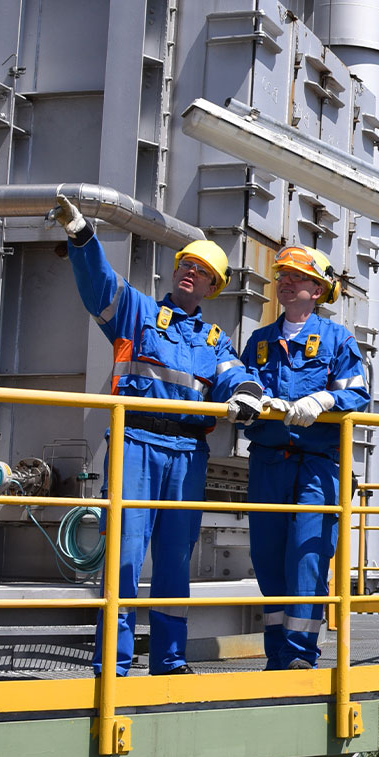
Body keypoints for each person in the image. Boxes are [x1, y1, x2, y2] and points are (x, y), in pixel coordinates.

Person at [52, 198, 262, 676]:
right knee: (125, 557)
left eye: (201, 270)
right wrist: (82, 235)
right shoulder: (138, 315)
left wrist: (248, 393)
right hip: (136, 446)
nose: (190, 272)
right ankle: (115, 662)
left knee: (174, 562)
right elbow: (99, 286)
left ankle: (169, 659)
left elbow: (236, 375)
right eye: (185, 264)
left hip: (188, 454)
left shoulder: (213, 341)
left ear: (213, 286)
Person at [242, 246, 370, 670]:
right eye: (282, 276)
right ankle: (277, 653)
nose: (286, 282)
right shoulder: (260, 342)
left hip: (318, 464)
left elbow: (358, 393)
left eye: (296, 277)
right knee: (267, 554)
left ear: (317, 289)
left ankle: (299, 656)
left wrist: (323, 398)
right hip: (267, 461)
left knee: (307, 556)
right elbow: (246, 385)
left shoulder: (337, 339)